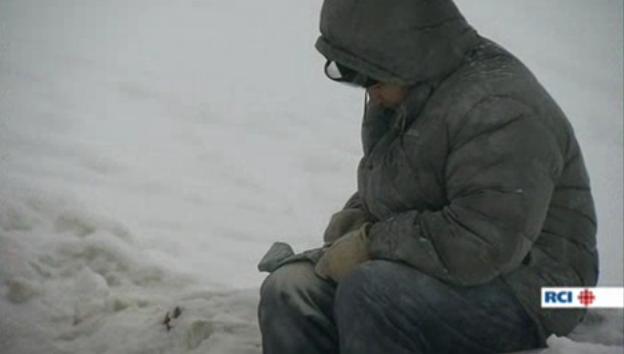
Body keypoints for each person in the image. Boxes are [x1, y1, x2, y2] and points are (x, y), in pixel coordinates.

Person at [257, 1, 599, 353]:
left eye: (367, 74)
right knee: (290, 288)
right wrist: (358, 217)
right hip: (440, 268)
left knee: (372, 292)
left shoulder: (499, 108)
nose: (364, 87)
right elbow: (411, 183)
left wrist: (371, 242)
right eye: (350, 71)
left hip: (546, 290)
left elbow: (483, 244)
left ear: (401, 54)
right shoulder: (403, 91)